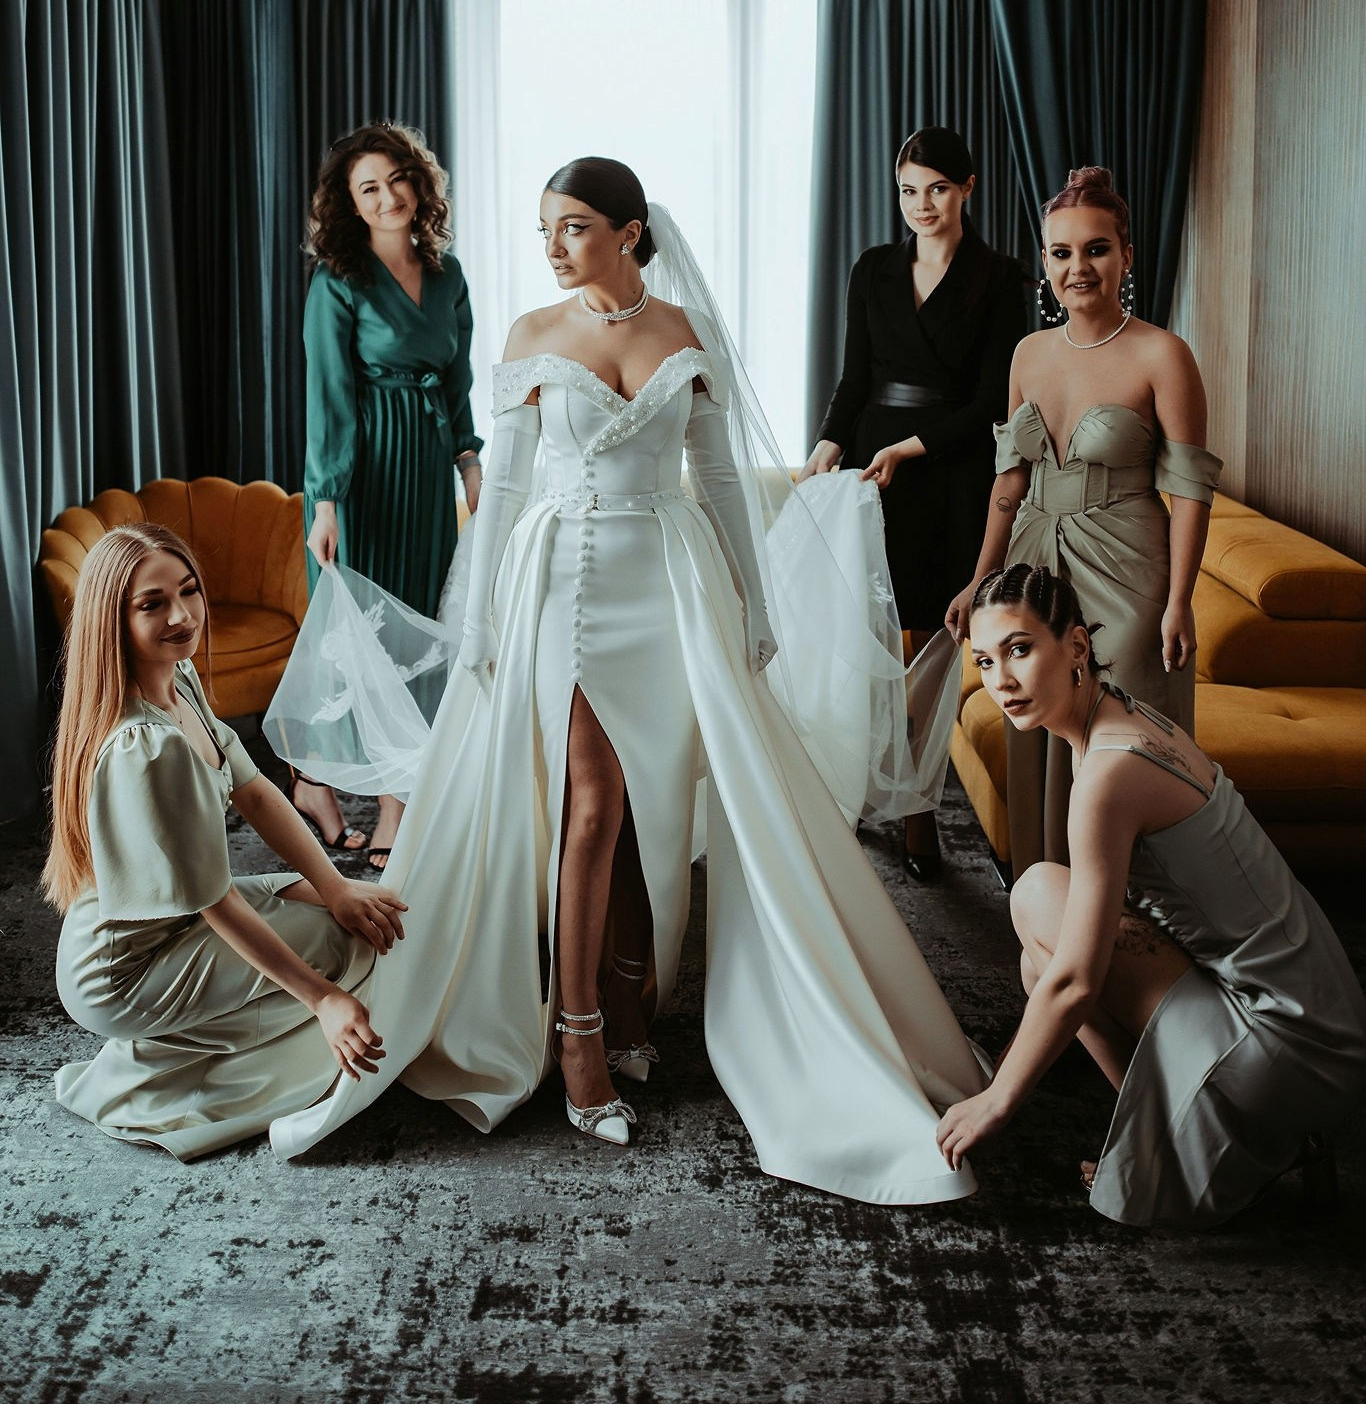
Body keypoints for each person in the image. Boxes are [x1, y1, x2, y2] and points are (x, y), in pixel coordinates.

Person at [268, 159, 988, 1204]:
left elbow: (723, 478)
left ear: (629, 231)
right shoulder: (531, 334)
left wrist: (754, 605)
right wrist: (479, 618)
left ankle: (632, 1002)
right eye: (545, 229)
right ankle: (578, 1037)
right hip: (559, 584)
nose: (553, 247)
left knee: (653, 802)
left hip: (669, 584)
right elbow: (506, 488)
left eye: (572, 227)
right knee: (592, 804)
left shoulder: (685, 333)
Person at [936, 564, 1366, 1226]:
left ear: (1076, 646)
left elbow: (1079, 981)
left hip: (1291, 1040)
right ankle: (1179, 1129)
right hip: (1326, 1022)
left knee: (1039, 902)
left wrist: (996, 1100)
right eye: (986, 660)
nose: (1001, 682)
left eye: (1020, 649)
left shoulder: (1110, 771)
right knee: (1038, 957)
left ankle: (1218, 1144)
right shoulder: (1121, 713)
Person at [45, 524, 405, 1159]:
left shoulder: (178, 679)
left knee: (355, 908)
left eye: (188, 591)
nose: (182, 616)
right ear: (113, 621)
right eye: (152, 604)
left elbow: (255, 791)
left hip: (178, 915)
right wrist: (322, 1000)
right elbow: (215, 902)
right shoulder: (146, 747)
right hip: (123, 968)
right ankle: (180, 1082)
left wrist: (335, 885)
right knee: (341, 948)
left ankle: (216, 1039)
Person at [946, 166, 1221, 871]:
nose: (1079, 268)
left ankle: (1137, 915)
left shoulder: (1163, 354)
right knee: (1034, 716)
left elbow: (1191, 490)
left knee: (1123, 734)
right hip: (1033, 563)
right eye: (1062, 253)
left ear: (1126, 254)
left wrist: (1180, 600)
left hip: (1128, 567)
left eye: (1096, 249)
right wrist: (981, 581)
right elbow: (1010, 479)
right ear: (1044, 261)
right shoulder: (1028, 354)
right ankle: (1053, 898)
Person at [801, 125, 1028, 880]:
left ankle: (918, 809)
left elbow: (994, 401)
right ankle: (856, 783)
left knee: (932, 642)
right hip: (875, 469)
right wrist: (829, 443)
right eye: (908, 191)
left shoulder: (1001, 277)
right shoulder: (873, 269)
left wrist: (913, 447)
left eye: (937, 189)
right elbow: (854, 379)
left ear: (968, 188)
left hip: (952, 469)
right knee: (866, 630)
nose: (921, 205)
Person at [297, 120, 482, 871]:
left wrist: (468, 460)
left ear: (419, 182)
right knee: (357, 640)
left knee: (420, 635)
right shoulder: (337, 279)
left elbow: (458, 375)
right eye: (367, 187)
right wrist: (327, 500)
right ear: (350, 203)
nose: (386, 197)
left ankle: (395, 803)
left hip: (426, 469)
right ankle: (317, 780)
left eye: (397, 179)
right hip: (361, 474)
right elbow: (328, 396)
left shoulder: (448, 273)